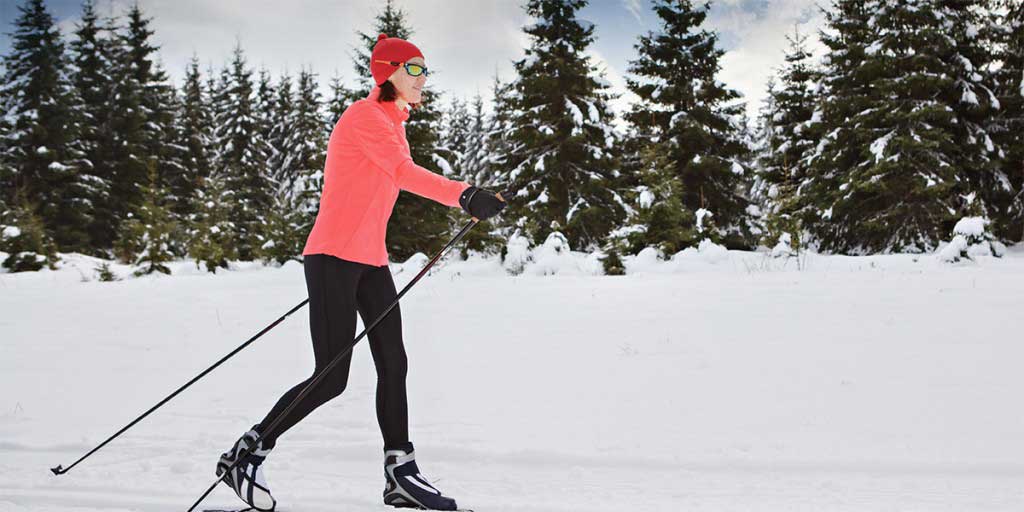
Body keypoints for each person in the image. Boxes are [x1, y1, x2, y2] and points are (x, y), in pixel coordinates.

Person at [214, 33, 506, 511]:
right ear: (387, 71)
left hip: (370, 259)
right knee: (331, 377)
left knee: (394, 362)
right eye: (414, 69)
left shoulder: (393, 123)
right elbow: (402, 173)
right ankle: (246, 453)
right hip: (332, 256)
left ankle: (400, 472)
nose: (423, 78)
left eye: (424, 69)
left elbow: (397, 172)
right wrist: (464, 193)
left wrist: (470, 195)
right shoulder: (364, 116)